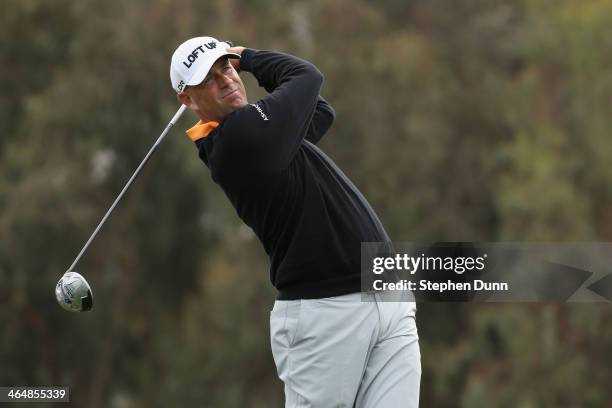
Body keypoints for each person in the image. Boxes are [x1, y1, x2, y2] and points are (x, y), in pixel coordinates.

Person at [170, 36, 421, 407]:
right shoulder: (237, 140)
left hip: (387, 296)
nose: (225, 79)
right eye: (208, 78)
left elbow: (320, 112)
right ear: (188, 100)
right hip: (325, 315)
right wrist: (248, 57)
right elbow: (306, 77)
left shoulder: (266, 136)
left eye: (226, 66)